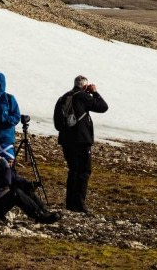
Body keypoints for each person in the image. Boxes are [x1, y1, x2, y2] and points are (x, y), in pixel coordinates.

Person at [54, 75, 108, 213]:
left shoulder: (62, 98)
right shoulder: (82, 97)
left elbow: (58, 123)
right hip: (82, 141)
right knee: (84, 171)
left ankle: (70, 203)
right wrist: (94, 92)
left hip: (66, 141)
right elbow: (103, 107)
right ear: (84, 86)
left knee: (73, 171)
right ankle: (79, 204)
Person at [0, 143, 60, 224]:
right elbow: (6, 182)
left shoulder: (6, 169)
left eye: (11, 161)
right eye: (8, 161)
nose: (10, 164)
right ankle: (39, 216)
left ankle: (44, 211)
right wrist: (6, 168)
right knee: (15, 193)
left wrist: (31, 185)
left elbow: (17, 180)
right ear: (1, 159)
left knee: (23, 188)